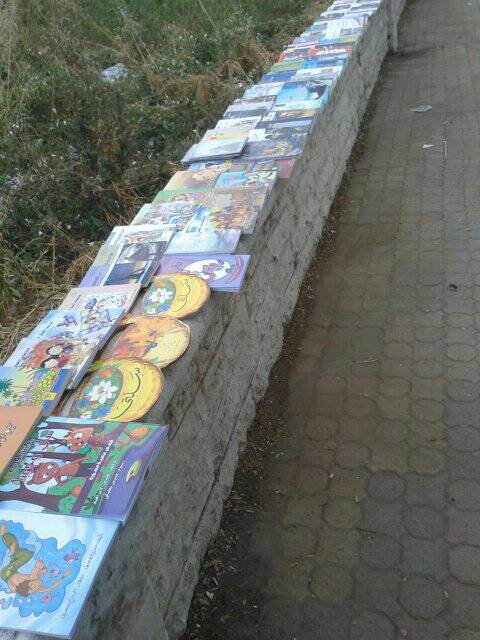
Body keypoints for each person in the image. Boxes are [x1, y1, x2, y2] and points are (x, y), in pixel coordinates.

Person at [0, 523, 71, 597]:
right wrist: (63, 576)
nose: (40, 582)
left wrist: (43, 568)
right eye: (38, 584)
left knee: (27, 555)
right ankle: (5, 537)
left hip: (8, 572)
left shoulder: (32, 578)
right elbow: (51, 587)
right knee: (17, 551)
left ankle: (12, 550)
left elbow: (38, 563)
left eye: (36, 584)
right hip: (7, 574)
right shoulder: (36, 589)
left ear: (30, 584)